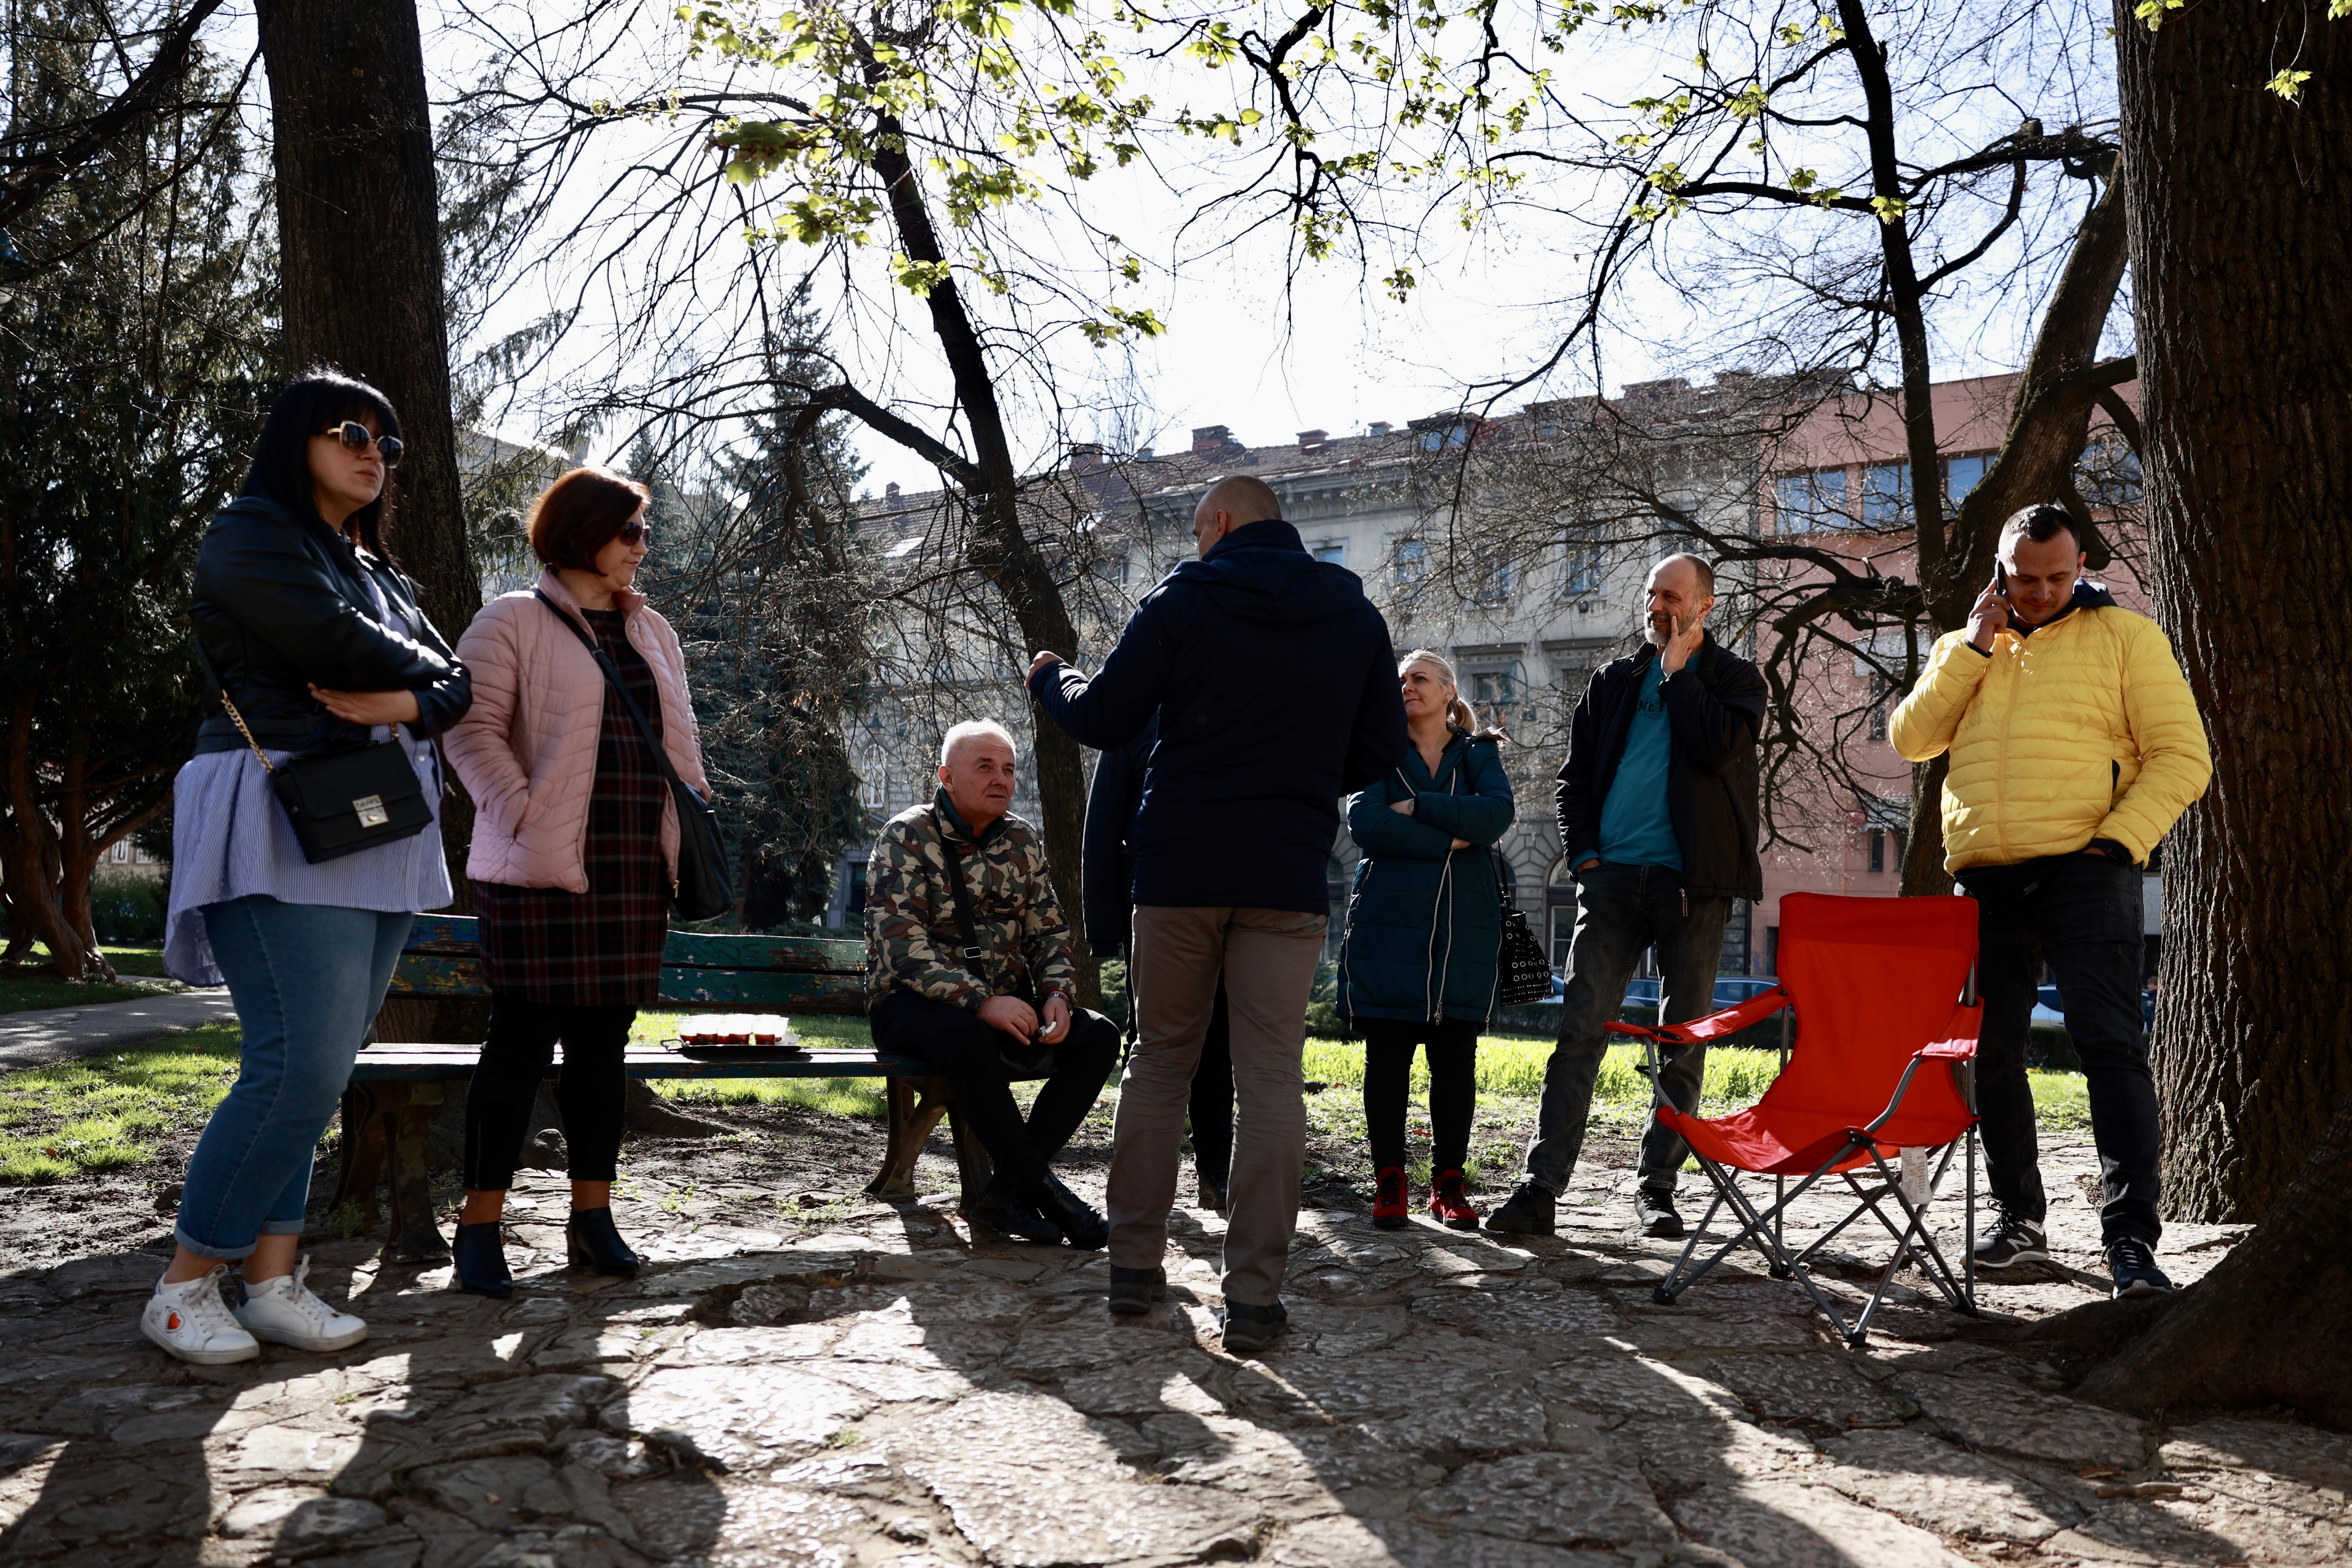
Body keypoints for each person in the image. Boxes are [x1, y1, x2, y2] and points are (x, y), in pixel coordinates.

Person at [1028, 474, 1407, 1354]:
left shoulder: (1185, 599)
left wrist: (1053, 677)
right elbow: (1383, 743)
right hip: (1285, 875)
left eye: (1199, 532)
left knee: (1159, 1059)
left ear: (1221, 522)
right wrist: (1306, 776)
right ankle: (1256, 1297)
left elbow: (1102, 715)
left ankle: (1131, 1268)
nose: (1196, 547)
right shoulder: (1351, 614)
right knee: (1270, 1074)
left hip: (1180, 868)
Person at [148, 369, 472, 1364]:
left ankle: (271, 1279)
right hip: (281, 799)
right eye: (350, 431)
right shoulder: (248, 533)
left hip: (371, 814)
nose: (374, 450)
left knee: (318, 1067)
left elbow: (454, 681)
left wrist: (412, 702)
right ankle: (183, 1284)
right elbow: (334, 643)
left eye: (388, 440)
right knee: (299, 1063)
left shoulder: (380, 566)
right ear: (297, 440)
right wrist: (428, 683)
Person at [1890, 503, 2210, 1298]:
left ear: (2080, 566)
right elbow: (1910, 739)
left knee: (2108, 1047)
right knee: (1992, 1055)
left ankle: (2131, 1244)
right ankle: (2019, 1222)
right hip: (1984, 878)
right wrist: (1972, 647)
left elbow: (2182, 755)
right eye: (2024, 577)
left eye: (2055, 577)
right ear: (1999, 568)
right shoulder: (1963, 649)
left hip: (2085, 869)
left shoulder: (2127, 638)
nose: (2039, 591)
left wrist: (2117, 841)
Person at [441, 466, 713, 1298]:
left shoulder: (653, 631)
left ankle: (592, 1219)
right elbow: (468, 730)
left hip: (632, 867)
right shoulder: (509, 621)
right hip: (536, 868)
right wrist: (519, 810)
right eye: (629, 530)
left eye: (644, 532)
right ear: (581, 533)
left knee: (603, 1049)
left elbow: (681, 734)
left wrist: (689, 805)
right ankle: (478, 1229)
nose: (642, 546)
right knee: (518, 1045)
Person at [1487, 553, 1766, 1241]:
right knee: (1578, 1031)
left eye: (1671, 596)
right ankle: (1540, 1186)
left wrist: (1678, 679)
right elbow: (1572, 778)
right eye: (1651, 594)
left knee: (1681, 1041)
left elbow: (1719, 748)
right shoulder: (1612, 681)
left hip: (1692, 887)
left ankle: (1658, 1190)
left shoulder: (1735, 680)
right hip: (1611, 882)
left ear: (1704, 605)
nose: (1657, 606)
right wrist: (1584, 857)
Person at [865, 719, 1122, 1246]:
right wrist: (982, 1002)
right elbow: (902, 950)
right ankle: (1047, 1193)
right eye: (984, 767)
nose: (1001, 779)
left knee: (1098, 1034)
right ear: (947, 776)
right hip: (909, 1006)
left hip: (1000, 1008)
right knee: (967, 1036)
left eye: (1008, 768)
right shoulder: (906, 836)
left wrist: (1056, 995)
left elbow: (1048, 931)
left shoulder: (1023, 840)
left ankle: (1004, 1193)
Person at [1340, 650, 1516, 1230]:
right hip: (1388, 932)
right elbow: (1366, 822)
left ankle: (1448, 1183)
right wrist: (1448, 838)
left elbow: (1493, 817)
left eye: (1417, 678)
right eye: (1399, 681)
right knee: (1386, 1062)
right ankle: (1389, 1180)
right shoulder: (1377, 753)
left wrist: (1418, 807)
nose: (1406, 687)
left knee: (1455, 1065)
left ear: (1446, 691)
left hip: (1463, 933)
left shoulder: (1480, 753)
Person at [1083, 710, 1236, 1214]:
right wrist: (1105, 927)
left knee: (1219, 1040)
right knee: (1154, 1043)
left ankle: (1216, 1170)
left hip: (1235, 901)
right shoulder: (1133, 719)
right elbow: (1102, 827)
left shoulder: (1241, 705)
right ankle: (1147, 1178)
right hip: (1152, 906)